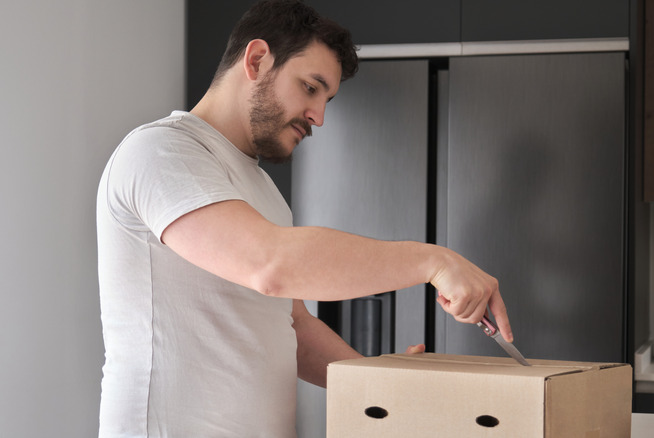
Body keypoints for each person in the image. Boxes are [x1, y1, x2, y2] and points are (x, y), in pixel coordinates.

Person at [96, 0, 512, 436]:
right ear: (257, 60)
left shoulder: (261, 191)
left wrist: (378, 382)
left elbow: (290, 325)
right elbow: (270, 264)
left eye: (326, 99)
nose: (319, 116)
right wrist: (434, 262)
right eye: (311, 87)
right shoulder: (160, 152)